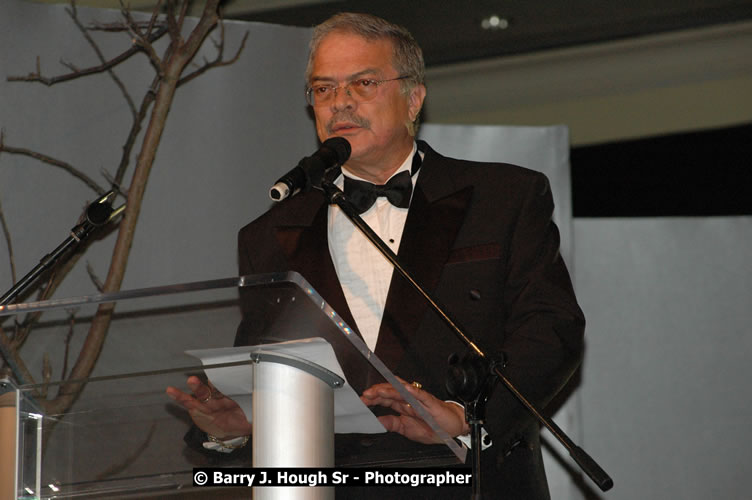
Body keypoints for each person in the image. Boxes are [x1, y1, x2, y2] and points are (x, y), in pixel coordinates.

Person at [167, 12, 585, 499]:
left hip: (471, 483)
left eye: (362, 82)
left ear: (414, 99)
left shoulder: (502, 196)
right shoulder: (270, 234)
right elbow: (267, 375)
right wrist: (237, 424)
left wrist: (468, 417)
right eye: (322, 89)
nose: (340, 101)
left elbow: (551, 331)